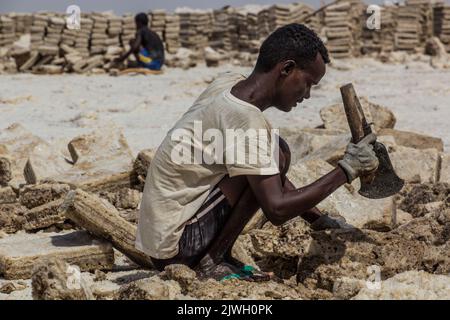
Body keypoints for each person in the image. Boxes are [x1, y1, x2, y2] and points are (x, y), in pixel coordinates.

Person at [135, 24, 379, 281]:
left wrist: (317, 219)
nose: (307, 95)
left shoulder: (228, 83)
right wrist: (347, 169)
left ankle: (216, 256)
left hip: (163, 238)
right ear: (286, 69)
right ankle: (211, 263)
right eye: (308, 84)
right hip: (178, 248)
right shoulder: (246, 119)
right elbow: (277, 210)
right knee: (273, 152)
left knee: (273, 151)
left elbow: (264, 173)